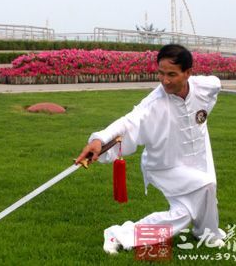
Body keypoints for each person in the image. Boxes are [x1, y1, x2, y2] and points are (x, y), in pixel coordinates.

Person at [75, 44, 226, 254]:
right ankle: (121, 234)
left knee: (193, 203)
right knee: (205, 186)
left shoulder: (205, 87)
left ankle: (206, 233)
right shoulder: (153, 104)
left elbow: (216, 84)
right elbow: (128, 122)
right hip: (165, 165)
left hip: (200, 157)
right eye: (161, 73)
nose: (165, 80)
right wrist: (100, 139)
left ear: (188, 73)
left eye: (172, 74)